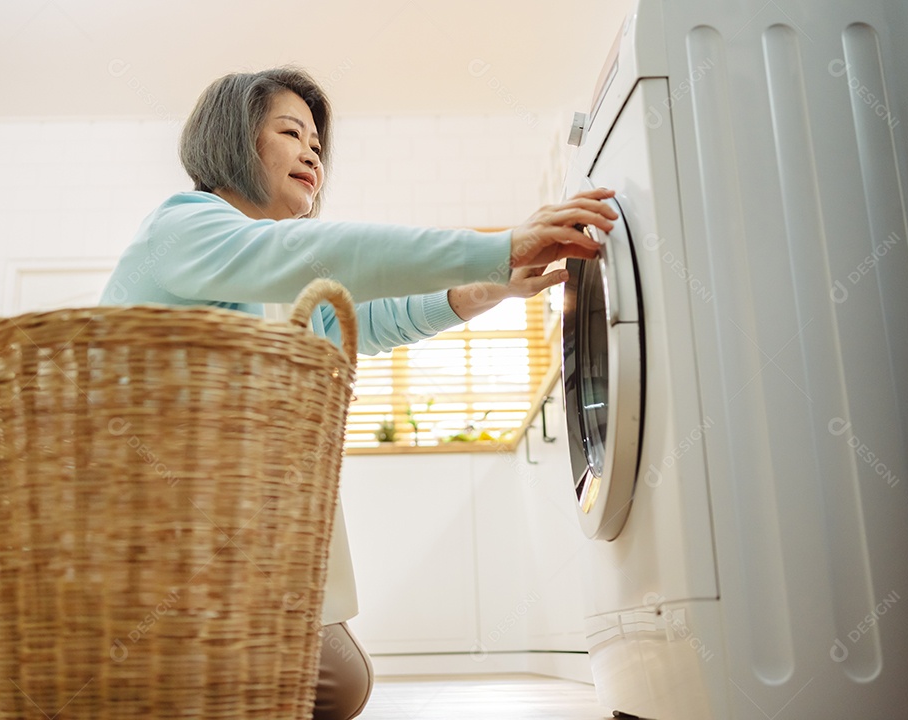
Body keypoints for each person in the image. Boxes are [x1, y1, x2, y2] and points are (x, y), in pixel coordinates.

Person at [100, 66, 617, 720]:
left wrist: (497, 283)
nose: (313, 150)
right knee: (329, 683)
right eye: (290, 132)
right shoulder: (186, 226)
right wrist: (501, 244)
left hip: (217, 524)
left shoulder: (279, 283)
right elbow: (326, 256)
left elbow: (372, 318)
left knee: (339, 681)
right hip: (142, 522)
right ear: (233, 140)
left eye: (317, 141)